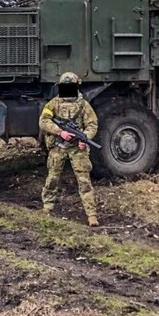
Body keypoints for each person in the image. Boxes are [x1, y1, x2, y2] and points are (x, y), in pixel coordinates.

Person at [38, 72, 99, 227]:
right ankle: (47, 207)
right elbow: (44, 121)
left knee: (84, 181)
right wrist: (60, 132)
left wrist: (85, 138)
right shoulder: (53, 104)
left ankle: (91, 214)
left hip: (77, 148)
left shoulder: (84, 105)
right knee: (52, 178)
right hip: (58, 146)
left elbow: (92, 124)